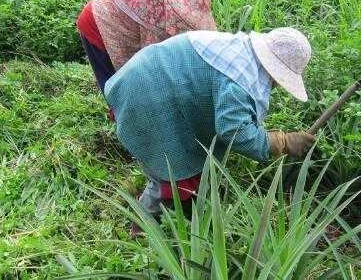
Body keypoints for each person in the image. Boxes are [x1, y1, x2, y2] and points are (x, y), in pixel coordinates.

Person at [103, 27, 316, 235]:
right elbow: (234, 131)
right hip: (148, 98)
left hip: (145, 77)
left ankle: (181, 212)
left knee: (185, 171)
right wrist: (283, 142)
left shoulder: (239, 50)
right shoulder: (239, 79)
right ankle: (142, 229)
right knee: (171, 178)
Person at [76, 0, 217, 119]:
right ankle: (127, 125)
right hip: (98, 20)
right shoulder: (163, 12)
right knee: (116, 87)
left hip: (112, 12)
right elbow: (151, 65)